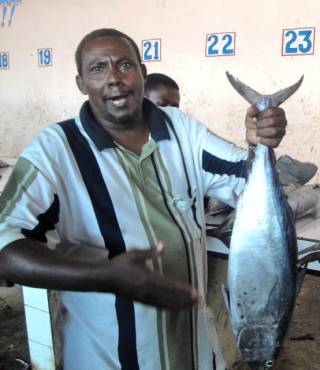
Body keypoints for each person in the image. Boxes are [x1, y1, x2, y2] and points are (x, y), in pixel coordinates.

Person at [0, 28, 287, 370]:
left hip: (196, 352)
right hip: (106, 359)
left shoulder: (182, 130)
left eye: (124, 64)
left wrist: (257, 143)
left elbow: (245, 179)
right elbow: (4, 246)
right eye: (97, 68)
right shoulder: (55, 151)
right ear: (80, 83)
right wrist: (102, 275)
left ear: (142, 73)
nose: (114, 78)